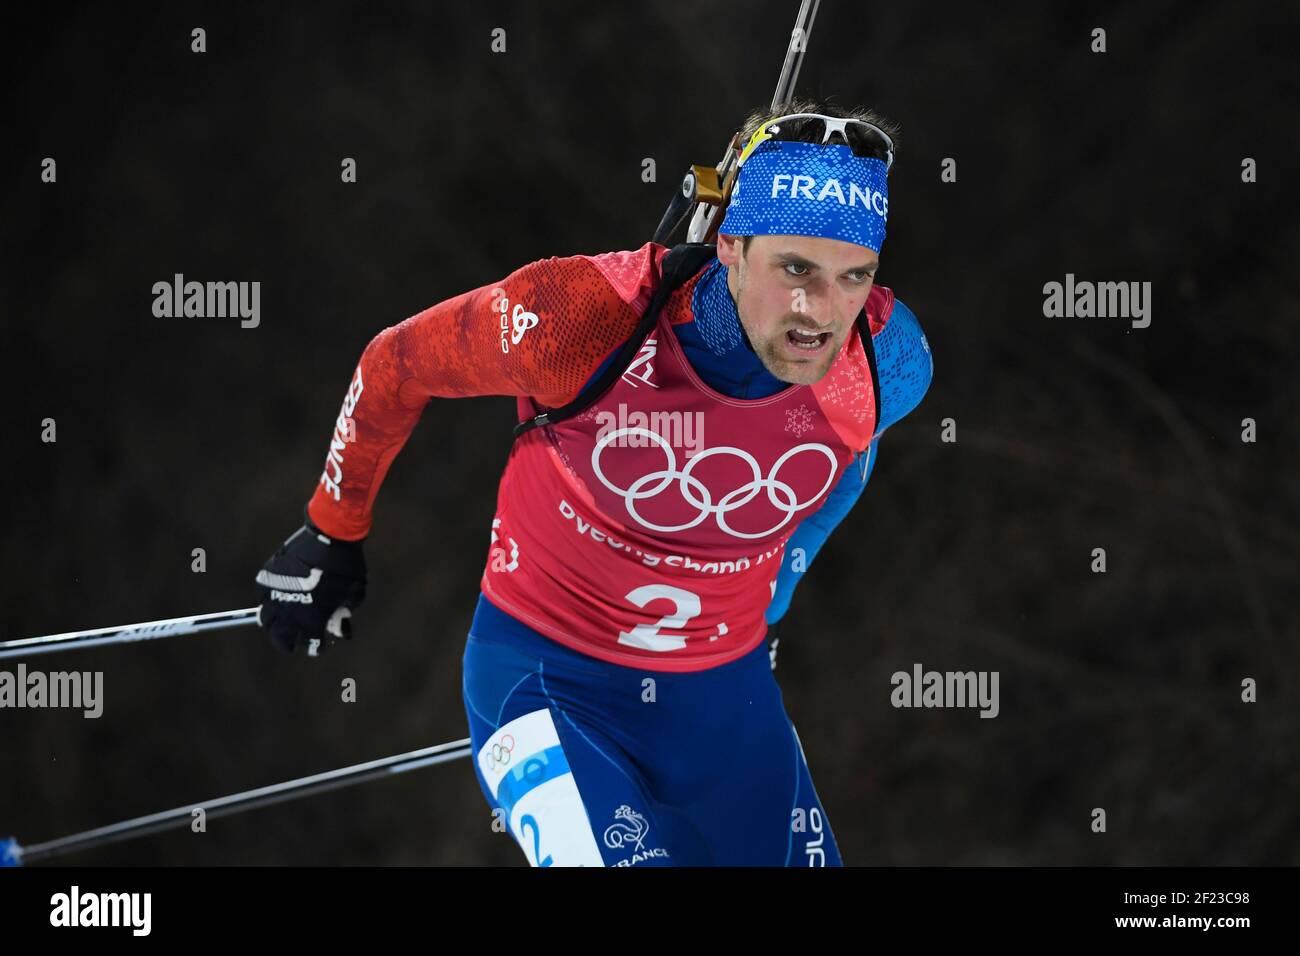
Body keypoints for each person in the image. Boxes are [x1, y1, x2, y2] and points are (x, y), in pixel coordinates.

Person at [254, 98, 933, 866]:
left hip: (725, 704)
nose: (820, 311)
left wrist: (781, 581)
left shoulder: (886, 362)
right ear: (731, 246)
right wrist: (332, 530)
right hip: (551, 688)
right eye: (795, 268)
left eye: (854, 276)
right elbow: (395, 363)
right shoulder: (583, 318)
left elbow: (852, 459)